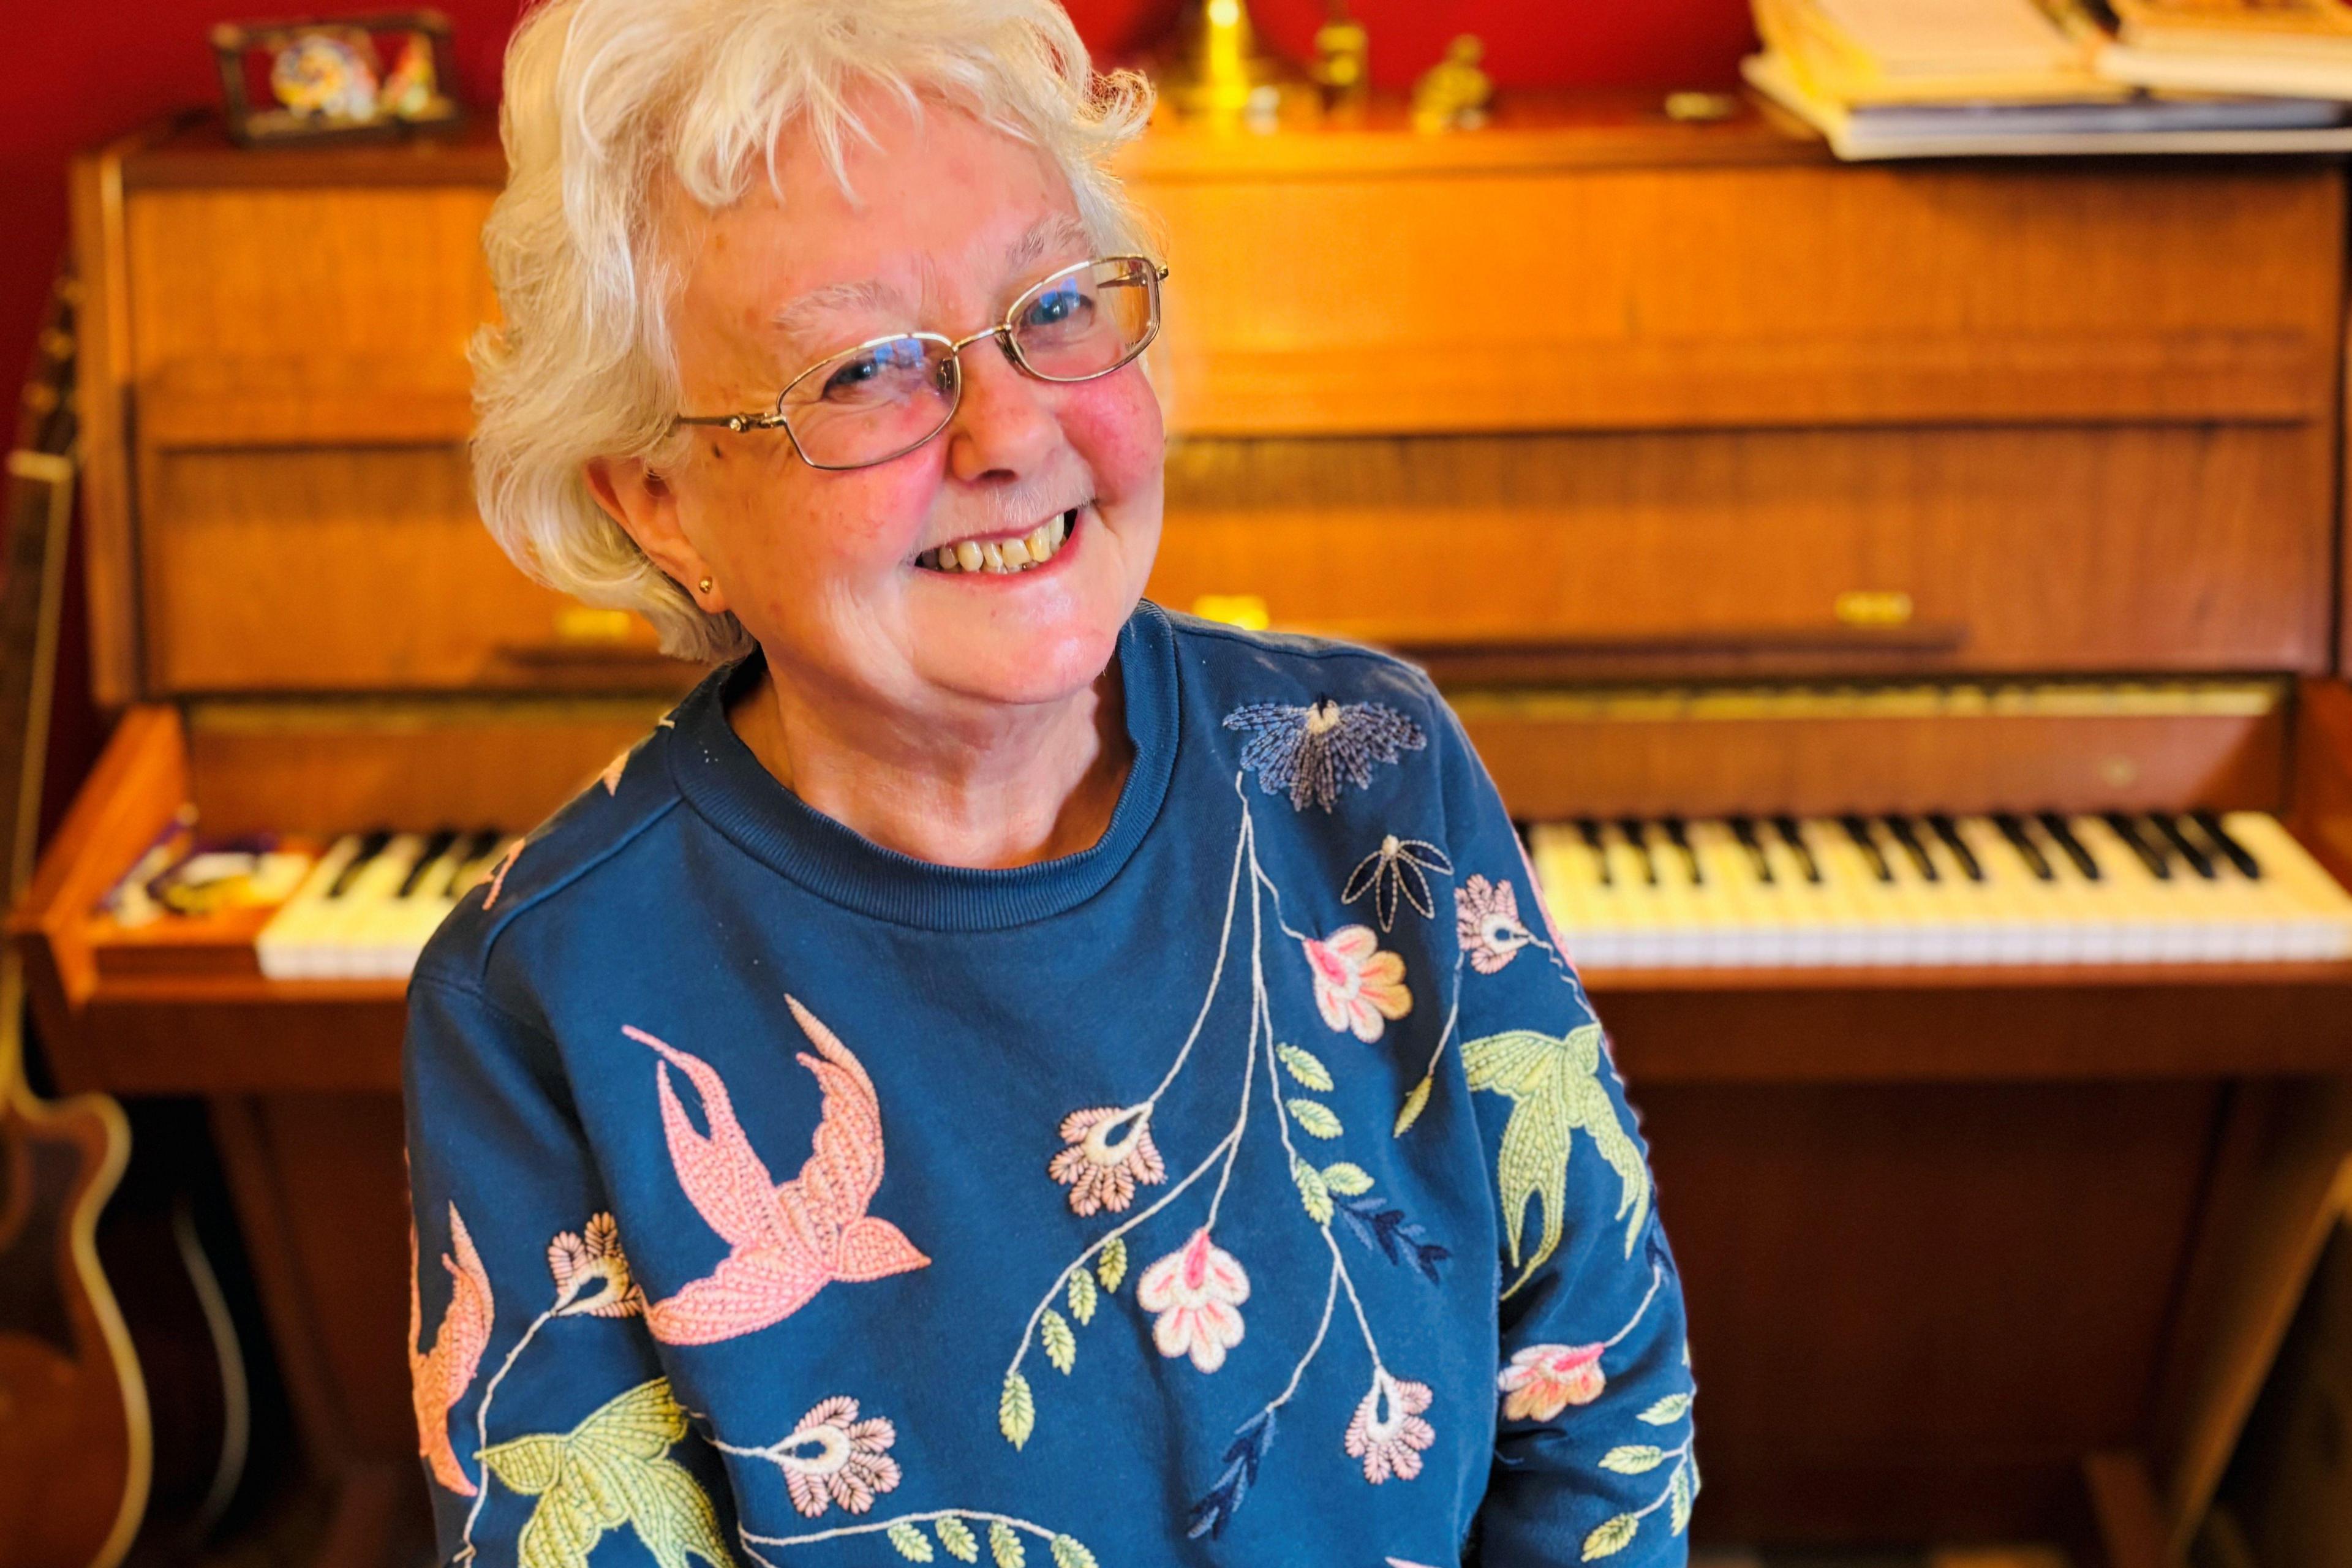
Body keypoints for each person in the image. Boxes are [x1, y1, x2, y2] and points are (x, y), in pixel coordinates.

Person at [405, 0, 1695, 1561]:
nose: (1011, 429)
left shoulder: (1366, 760)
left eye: (1057, 304)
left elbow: (1601, 1388)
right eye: (865, 368)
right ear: (660, 501)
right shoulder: (541, 984)